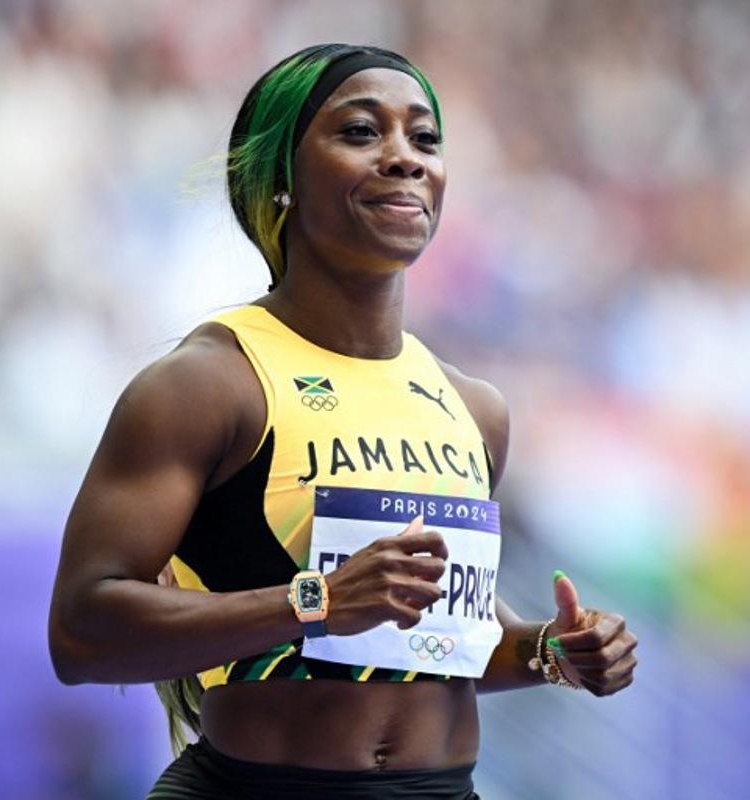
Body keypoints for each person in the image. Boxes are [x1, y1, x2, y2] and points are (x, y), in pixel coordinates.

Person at [48, 44, 638, 799]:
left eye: (424, 138)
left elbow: (439, 643)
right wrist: (317, 601)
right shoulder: (208, 384)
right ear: (283, 179)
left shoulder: (472, 407)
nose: (404, 157)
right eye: (361, 131)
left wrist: (552, 651)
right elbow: (81, 634)